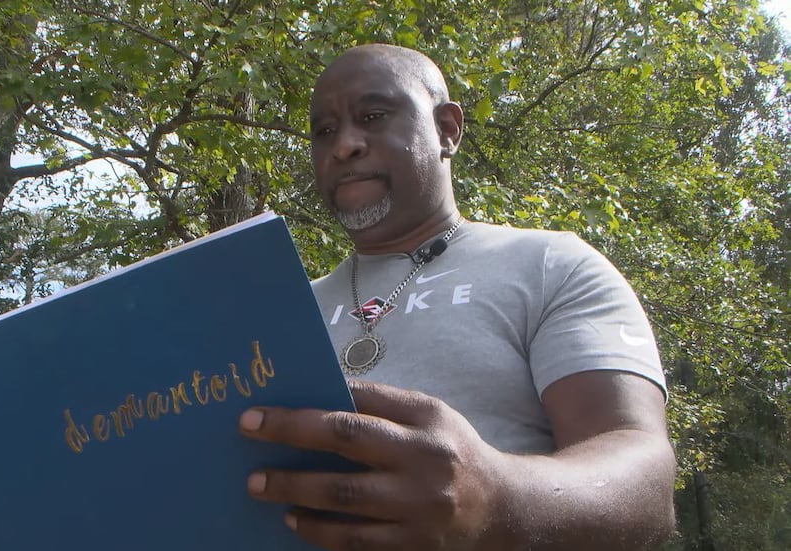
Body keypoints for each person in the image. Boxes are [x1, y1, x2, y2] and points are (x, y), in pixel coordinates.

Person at [239, 44, 676, 550]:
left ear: (447, 129)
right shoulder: (281, 316)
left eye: (373, 116)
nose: (344, 145)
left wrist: (496, 499)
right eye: (324, 130)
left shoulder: (551, 265)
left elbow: (644, 478)